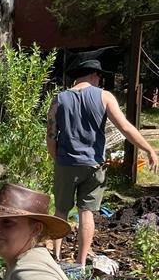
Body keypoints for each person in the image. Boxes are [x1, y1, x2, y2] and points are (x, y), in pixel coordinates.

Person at [47, 58, 159, 267]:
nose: (100, 81)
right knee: (86, 212)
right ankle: (80, 263)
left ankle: (56, 258)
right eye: (99, 77)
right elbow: (126, 128)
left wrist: (58, 160)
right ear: (93, 75)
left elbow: (51, 136)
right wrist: (149, 149)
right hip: (93, 164)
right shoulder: (104, 97)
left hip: (66, 162)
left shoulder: (59, 99)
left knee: (61, 211)